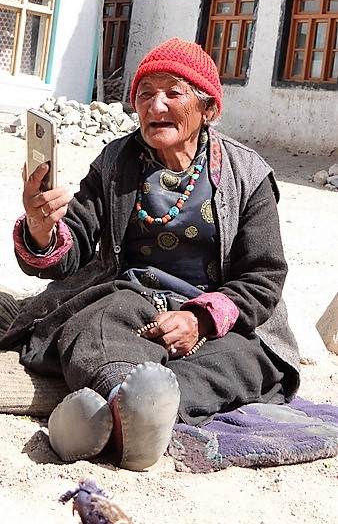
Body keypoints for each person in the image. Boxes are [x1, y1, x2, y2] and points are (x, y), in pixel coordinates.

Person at [0, 37, 300, 471]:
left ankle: (102, 418)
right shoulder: (116, 162)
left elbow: (263, 277)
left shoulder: (247, 174)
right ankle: (131, 409)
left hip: (219, 321)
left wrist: (199, 319)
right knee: (96, 324)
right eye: (145, 94)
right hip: (132, 300)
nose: (155, 106)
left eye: (172, 93)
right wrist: (41, 226)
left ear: (208, 109)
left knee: (244, 364)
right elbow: (73, 247)